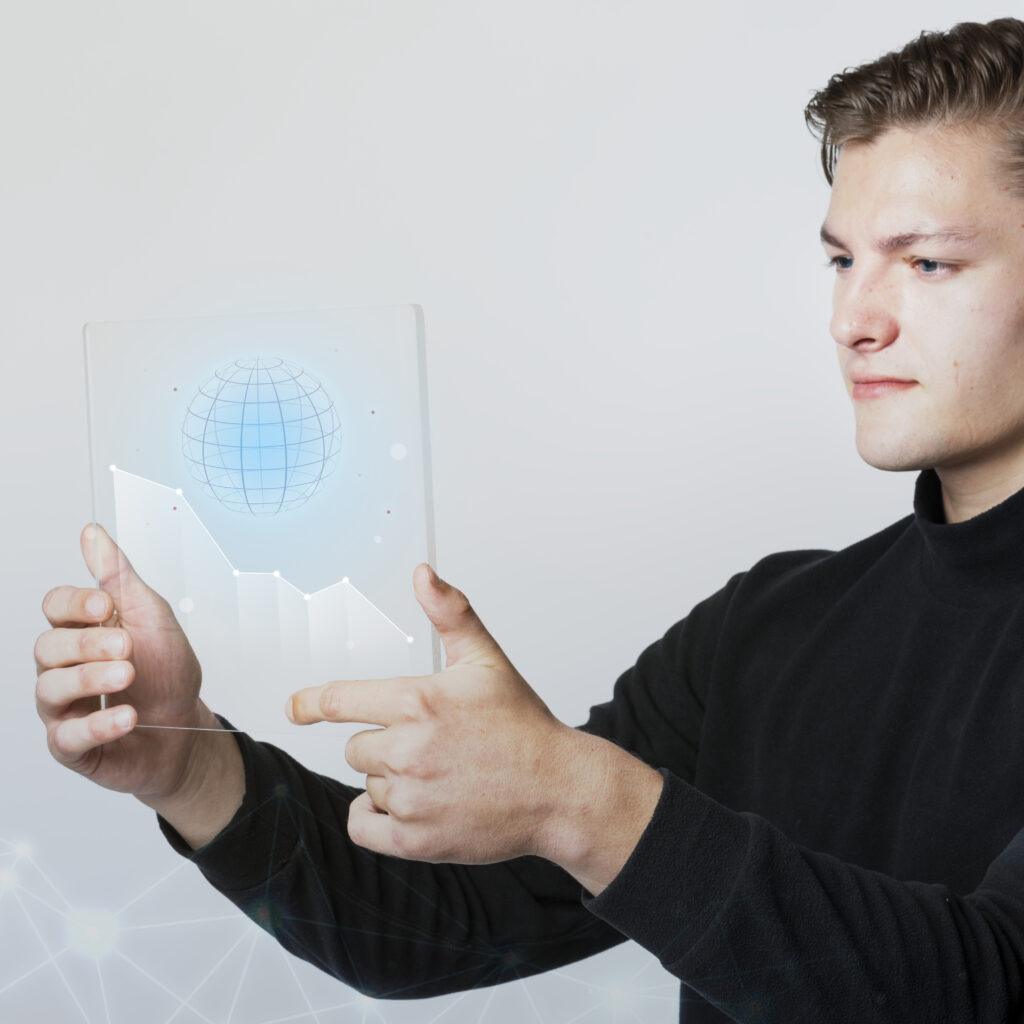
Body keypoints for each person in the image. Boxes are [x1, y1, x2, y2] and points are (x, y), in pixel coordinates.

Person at [33, 16, 1024, 1023]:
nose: (853, 319)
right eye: (842, 261)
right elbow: (457, 920)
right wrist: (190, 763)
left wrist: (583, 800)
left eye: (926, 264)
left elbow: (993, 985)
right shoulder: (769, 629)